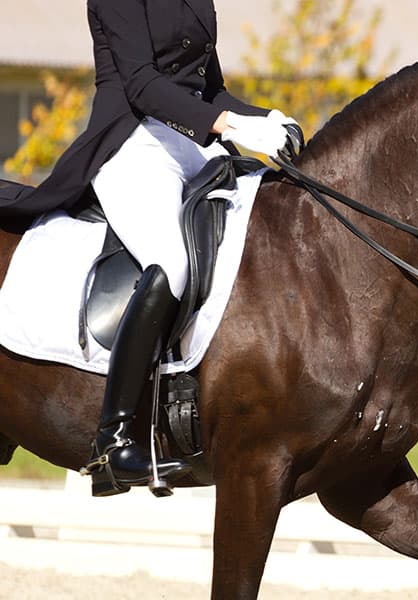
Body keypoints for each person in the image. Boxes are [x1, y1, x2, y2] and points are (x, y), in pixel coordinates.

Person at [0, 0, 299, 496]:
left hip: (193, 145)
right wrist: (232, 126)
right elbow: (141, 83)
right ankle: (112, 439)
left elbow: (211, 90)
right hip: (131, 142)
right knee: (172, 263)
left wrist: (266, 118)